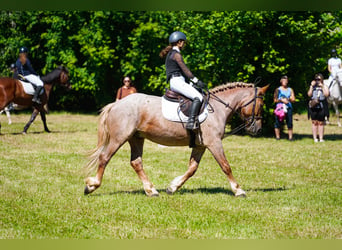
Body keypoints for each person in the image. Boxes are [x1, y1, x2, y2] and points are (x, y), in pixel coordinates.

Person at [159, 31, 206, 130]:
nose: (184, 44)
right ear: (179, 42)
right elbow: (185, 70)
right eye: (183, 42)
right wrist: (196, 81)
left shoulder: (171, 53)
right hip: (177, 81)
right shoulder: (176, 54)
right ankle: (191, 122)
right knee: (199, 97)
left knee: (196, 93)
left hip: (177, 81)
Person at [308, 73, 330, 142]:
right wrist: (311, 86)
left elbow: (327, 94)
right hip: (313, 105)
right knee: (314, 122)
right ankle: (315, 138)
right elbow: (309, 94)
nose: (317, 81)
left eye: (319, 79)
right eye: (316, 79)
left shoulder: (325, 86)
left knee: (321, 122)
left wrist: (322, 87)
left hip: (321, 105)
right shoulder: (313, 87)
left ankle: (321, 138)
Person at [273, 76, 296, 141]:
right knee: (278, 122)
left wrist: (289, 99)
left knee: (289, 122)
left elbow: (293, 98)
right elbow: (275, 100)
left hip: (288, 107)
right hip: (280, 108)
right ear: (281, 81)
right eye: (284, 81)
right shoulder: (278, 90)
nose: (285, 82)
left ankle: (290, 137)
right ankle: (278, 137)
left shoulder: (290, 89)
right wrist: (281, 100)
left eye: (286, 81)